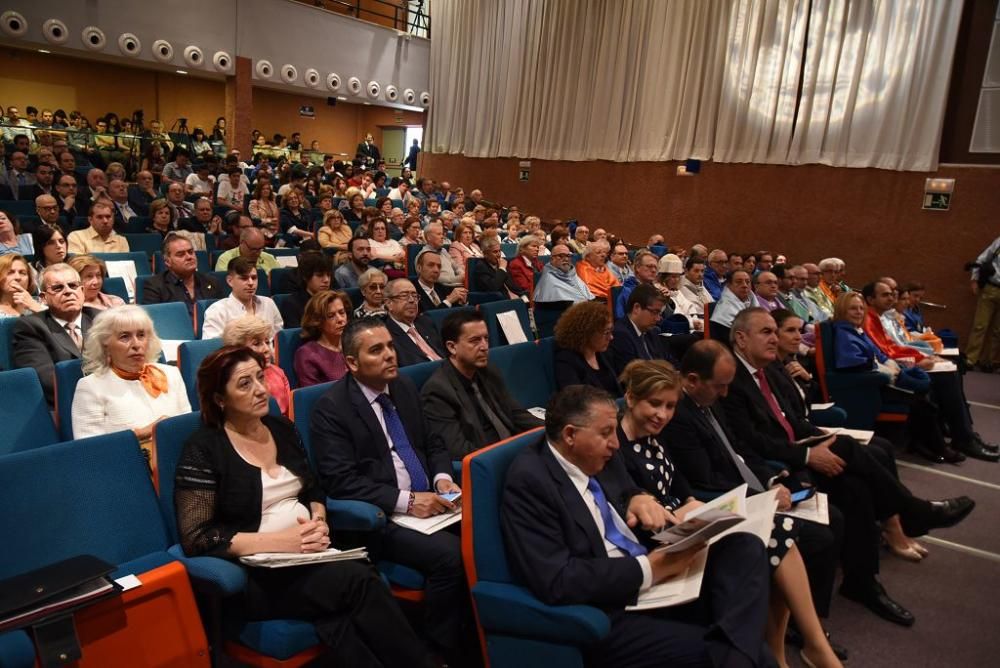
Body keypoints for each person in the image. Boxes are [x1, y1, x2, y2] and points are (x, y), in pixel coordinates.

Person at [175, 345, 430, 666]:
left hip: (311, 554)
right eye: (244, 384)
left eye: (259, 377)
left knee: (348, 597)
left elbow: (312, 488)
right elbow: (197, 536)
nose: (260, 390)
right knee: (359, 581)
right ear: (219, 399)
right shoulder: (204, 449)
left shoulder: (280, 427)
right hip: (258, 574)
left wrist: (319, 521)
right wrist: (285, 543)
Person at [722, 307, 976, 625]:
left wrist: (818, 439)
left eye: (776, 331)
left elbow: (795, 421)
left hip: (798, 447)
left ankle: (862, 582)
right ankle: (910, 511)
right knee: (848, 452)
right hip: (779, 465)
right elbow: (749, 442)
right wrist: (807, 455)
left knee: (855, 485)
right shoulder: (729, 378)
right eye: (766, 332)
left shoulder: (770, 369)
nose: (775, 338)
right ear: (741, 338)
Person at [502, 384, 775, 667]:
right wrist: (651, 568)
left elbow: (626, 488)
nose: (616, 443)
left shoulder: (597, 453)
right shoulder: (530, 481)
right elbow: (557, 579)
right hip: (614, 608)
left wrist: (639, 496)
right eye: (606, 433)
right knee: (756, 656)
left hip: (658, 577)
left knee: (744, 546)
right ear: (570, 435)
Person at [618, 358, 843, 667]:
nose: (663, 414)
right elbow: (637, 511)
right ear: (630, 398)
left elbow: (680, 488)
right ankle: (805, 649)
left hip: (687, 525)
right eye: (655, 404)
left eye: (670, 406)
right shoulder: (615, 447)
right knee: (775, 537)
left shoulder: (654, 439)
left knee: (779, 532)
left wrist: (700, 508)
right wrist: (689, 515)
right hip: (664, 542)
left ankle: (789, 648)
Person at [308, 318, 471, 664]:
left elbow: (434, 442)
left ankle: (477, 634)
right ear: (352, 363)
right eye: (376, 350)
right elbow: (340, 481)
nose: (390, 356)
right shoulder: (331, 409)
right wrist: (408, 501)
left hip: (436, 501)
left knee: (484, 533)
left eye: (391, 346)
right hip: (383, 518)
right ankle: (438, 651)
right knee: (452, 557)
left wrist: (442, 476)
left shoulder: (404, 388)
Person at [862, 281, 997, 461]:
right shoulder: (869, 319)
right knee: (945, 377)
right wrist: (918, 361)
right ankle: (962, 437)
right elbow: (886, 353)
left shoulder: (878, 317)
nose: (892, 298)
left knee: (951, 371)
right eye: (885, 295)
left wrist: (921, 357)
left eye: (892, 293)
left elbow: (893, 347)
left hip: (898, 364)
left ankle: (964, 433)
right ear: (870, 299)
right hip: (890, 373)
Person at [830, 294, 965, 465]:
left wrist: (893, 365)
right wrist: (892, 372)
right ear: (842, 310)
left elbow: (879, 354)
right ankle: (936, 447)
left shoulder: (855, 330)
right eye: (853, 308)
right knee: (921, 402)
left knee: (924, 399)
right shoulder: (844, 334)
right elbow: (856, 364)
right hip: (867, 386)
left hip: (879, 379)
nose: (858, 312)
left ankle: (927, 444)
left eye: (861, 308)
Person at [421, 310, 542, 458]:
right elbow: (458, 450)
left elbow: (516, 413)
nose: (484, 346)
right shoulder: (438, 391)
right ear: (452, 347)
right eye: (475, 340)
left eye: (486, 338)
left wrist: (551, 431)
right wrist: (507, 457)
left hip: (514, 449)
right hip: (490, 462)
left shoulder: (488, 370)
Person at [72, 304, 190, 445]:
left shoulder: (171, 374)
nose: (136, 344)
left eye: (141, 335)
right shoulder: (90, 387)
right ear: (105, 346)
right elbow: (89, 449)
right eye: (124, 337)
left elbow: (188, 427)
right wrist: (143, 433)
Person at [141, 231, 223, 316]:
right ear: (167, 262)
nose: (189, 257)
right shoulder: (155, 285)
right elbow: (151, 319)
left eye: (191, 252)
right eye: (180, 254)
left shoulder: (212, 282)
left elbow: (224, 314)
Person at [221, 316, 292, 415]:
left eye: (267, 342)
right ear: (237, 349)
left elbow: (291, 413)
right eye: (257, 344)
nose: (266, 349)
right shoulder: (232, 381)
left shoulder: (277, 372)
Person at [202, 257, 283, 340]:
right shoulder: (217, 311)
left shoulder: (268, 304)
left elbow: (278, 341)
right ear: (230, 281)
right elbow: (212, 348)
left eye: (254, 278)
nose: (251, 283)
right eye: (244, 278)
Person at [554, 300, 621, 394]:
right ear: (588, 333)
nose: (611, 337)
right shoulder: (567, 360)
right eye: (606, 332)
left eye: (611, 331)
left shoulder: (605, 353)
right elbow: (575, 400)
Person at [382, 278, 446, 366]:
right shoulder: (386, 335)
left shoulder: (426, 322)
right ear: (389, 303)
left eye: (415, 296)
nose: (412, 300)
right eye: (404, 296)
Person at [293, 290, 352, 388]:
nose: (340, 319)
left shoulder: (354, 343)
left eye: (342, 312)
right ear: (317, 321)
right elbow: (312, 397)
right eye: (331, 316)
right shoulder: (307, 354)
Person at [610, 283, 673, 374]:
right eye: (655, 312)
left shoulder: (653, 331)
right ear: (637, 308)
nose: (658, 318)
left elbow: (669, 360)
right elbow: (632, 376)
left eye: (659, 313)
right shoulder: (620, 335)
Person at [965, 234, 1000, 371]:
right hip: (991, 288)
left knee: (998, 330)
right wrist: (974, 280)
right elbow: (981, 260)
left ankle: (988, 361)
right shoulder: (999, 242)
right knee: (980, 325)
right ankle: (970, 359)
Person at [277, 252, 332, 328]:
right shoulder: (291, 304)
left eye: (329, 275)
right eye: (319, 275)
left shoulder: (334, 300)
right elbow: (297, 335)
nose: (326, 280)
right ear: (305, 277)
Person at [214, 228, 281, 274]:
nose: (257, 253)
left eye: (260, 249)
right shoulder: (225, 259)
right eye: (253, 249)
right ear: (242, 243)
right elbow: (224, 285)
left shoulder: (270, 259)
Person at [710, 269, 755, 334]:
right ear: (728, 285)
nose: (745, 285)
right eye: (739, 282)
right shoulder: (725, 310)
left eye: (748, 282)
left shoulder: (751, 300)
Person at [423, 221, 464, 287]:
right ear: (429, 237)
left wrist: (462, 274)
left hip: (456, 285)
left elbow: (456, 267)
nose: (442, 237)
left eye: (442, 234)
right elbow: (435, 279)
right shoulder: (424, 255)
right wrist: (458, 278)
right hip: (441, 289)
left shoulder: (443, 250)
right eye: (439, 234)